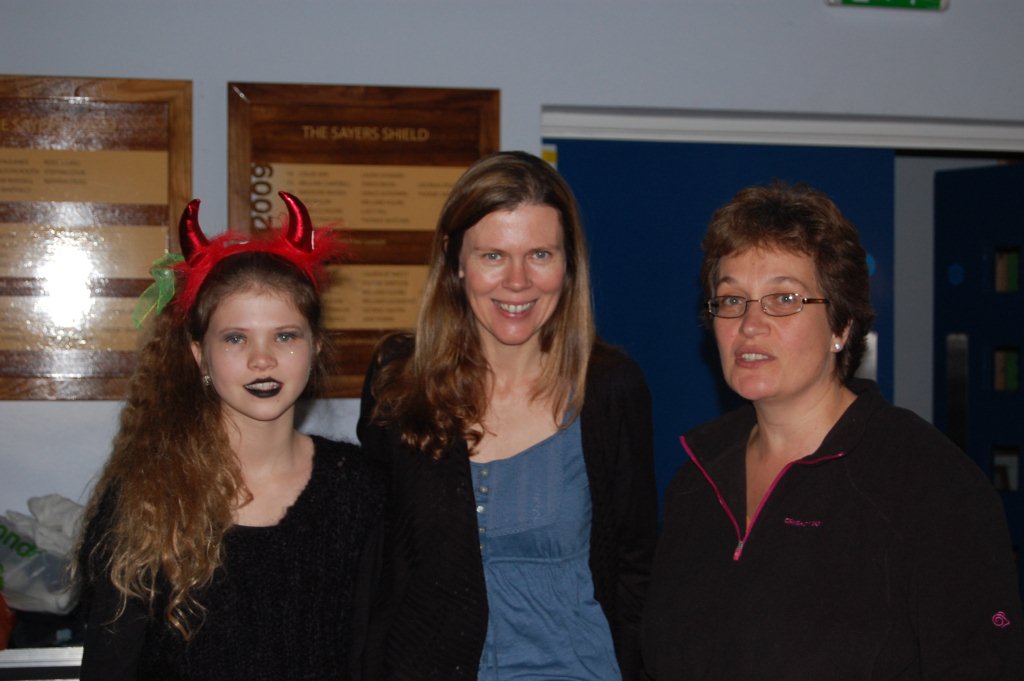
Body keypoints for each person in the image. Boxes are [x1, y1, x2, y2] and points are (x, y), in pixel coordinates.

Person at [642, 181, 1024, 680]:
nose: (750, 324)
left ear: (841, 326)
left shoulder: (928, 484)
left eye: (784, 298)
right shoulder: (697, 479)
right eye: (732, 299)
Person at [357, 151, 657, 681]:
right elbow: (377, 564)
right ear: (455, 261)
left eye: (540, 254)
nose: (517, 281)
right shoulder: (398, 382)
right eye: (493, 255)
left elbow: (636, 567)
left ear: (568, 263)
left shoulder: (610, 389)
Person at [75, 193, 386, 680]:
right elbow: (108, 667)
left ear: (315, 347)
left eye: (285, 336)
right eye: (236, 338)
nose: (263, 359)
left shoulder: (360, 489)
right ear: (199, 355)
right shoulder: (147, 498)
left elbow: (374, 656)